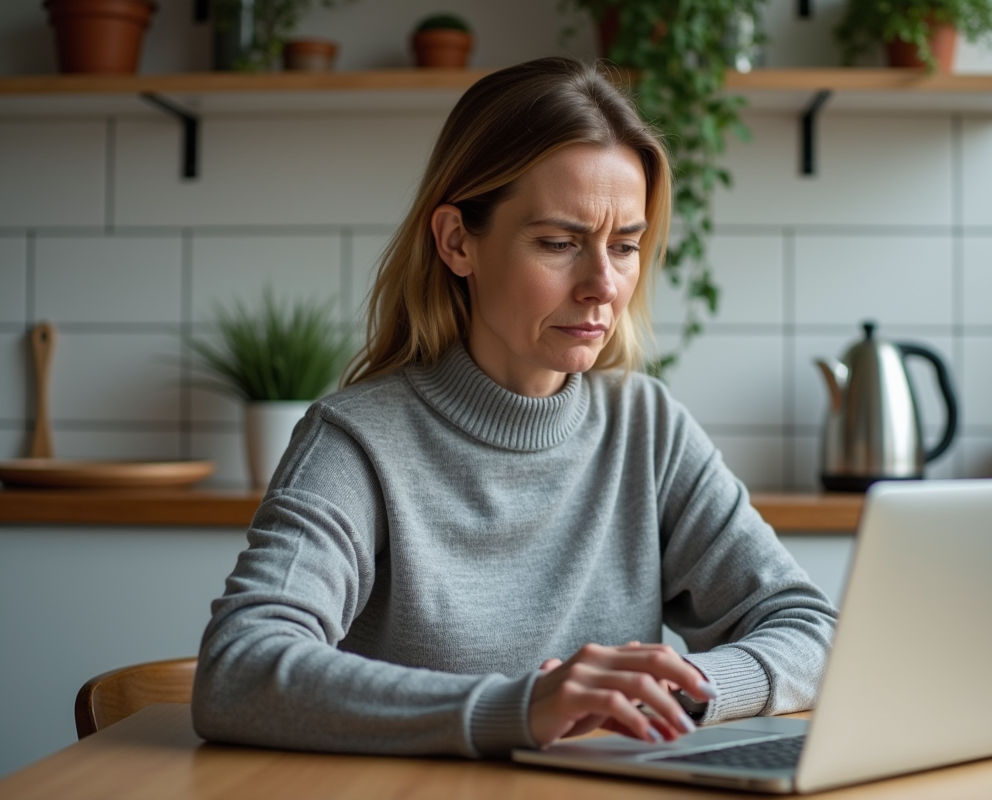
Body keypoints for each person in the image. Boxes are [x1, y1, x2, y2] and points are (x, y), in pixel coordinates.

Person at [192, 56, 838, 758]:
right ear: (457, 241)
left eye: (625, 246)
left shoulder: (647, 429)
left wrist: (675, 689)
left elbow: (811, 629)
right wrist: (519, 709)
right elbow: (239, 670)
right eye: (559, 243)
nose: (602, 285)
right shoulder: (356, 442)